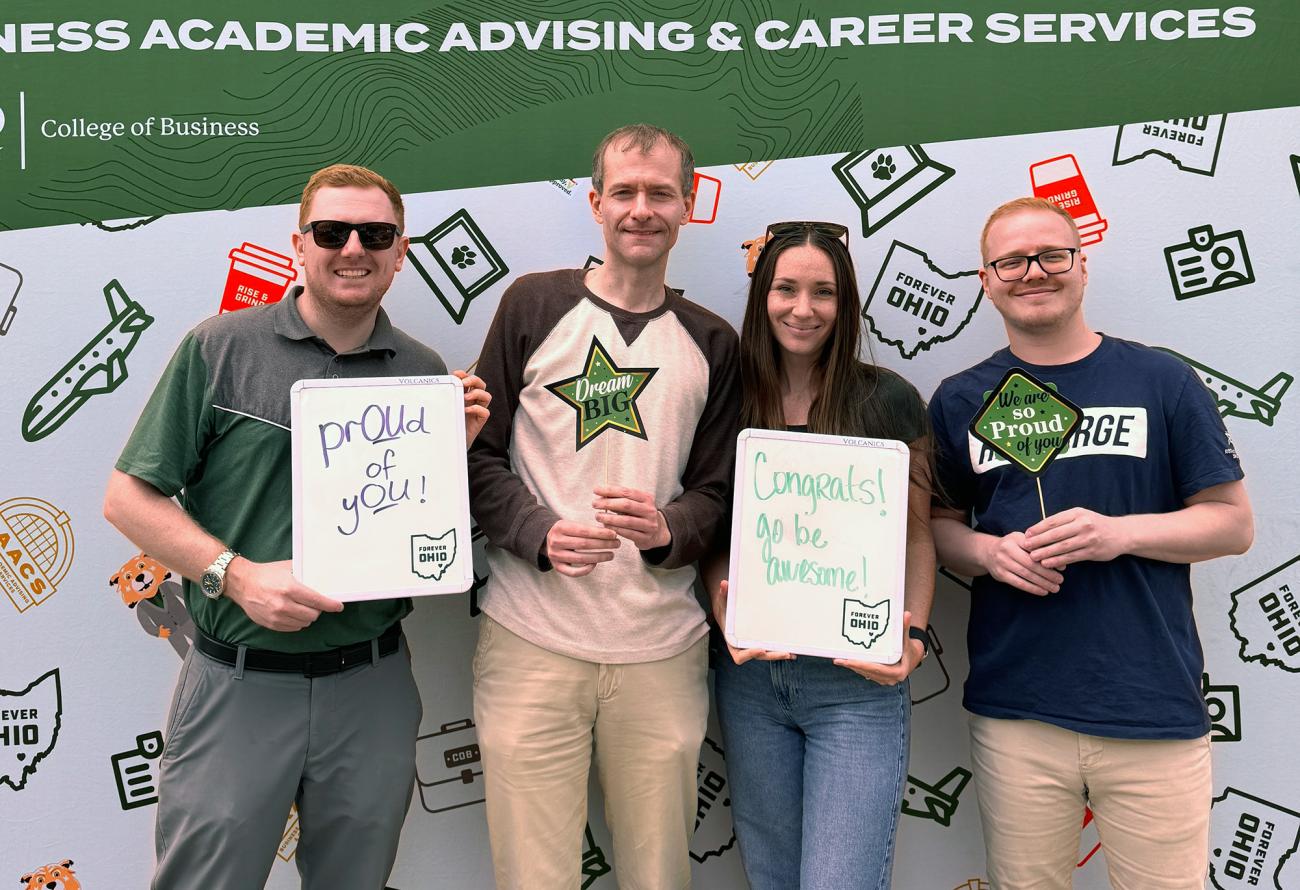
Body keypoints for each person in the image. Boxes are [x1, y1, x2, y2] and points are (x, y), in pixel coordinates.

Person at [102, 163, 491, 889]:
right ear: (299, 245)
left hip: (370, 683)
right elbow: (128, 497)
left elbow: (410, 533)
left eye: (375, 234)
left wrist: (447, 453)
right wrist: (235, 577)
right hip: (239, 681)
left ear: (400, 251)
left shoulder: (421, 371)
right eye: (332, 231)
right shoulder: (220, 347)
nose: (353, 248)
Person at [928, 197, 1253, 889]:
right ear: (986, 280)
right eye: (1010, 261)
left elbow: (1232, 523)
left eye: (1051, 255)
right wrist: (988, 553)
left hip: (1151, 706)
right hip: (1018, 711)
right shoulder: (960, 398)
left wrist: (1119, 534)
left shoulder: (1161, 380)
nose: (1032, 272)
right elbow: (937, 527)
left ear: (1082, 265)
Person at [467, 123, 740, 889]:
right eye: (624, 192)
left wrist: (667, 529)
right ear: (595, 202)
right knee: (534, 876)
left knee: (659, 877)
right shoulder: (531, 304)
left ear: (688, 206)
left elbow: (720, 492)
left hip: (662, 652)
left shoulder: (712, 341)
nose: (641, 209)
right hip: (531, 640)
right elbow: (478, 454)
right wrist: (538, 531)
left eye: (660, 193)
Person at [705, 220, 936, 889]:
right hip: (750, 682)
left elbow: (918, 535)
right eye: (785, 289)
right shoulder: (727, 397)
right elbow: (712, 537)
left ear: (846, 303)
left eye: (823, 292)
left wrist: (914, 637)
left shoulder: (887, 400)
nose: (802, 309)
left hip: (856, 683)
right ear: (762, 297)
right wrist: (729, 614)